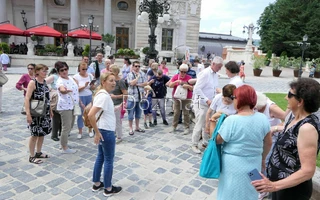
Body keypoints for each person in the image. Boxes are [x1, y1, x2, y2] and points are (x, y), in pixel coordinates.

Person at [252, 78, 320, 200]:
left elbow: (308, 170)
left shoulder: (307, 128)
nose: (285, 98)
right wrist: (276, 128)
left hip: (292, 191)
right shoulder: (293, 117)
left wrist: (274, 186)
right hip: (280, 186)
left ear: (300, 101)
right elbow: (291, 133)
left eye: (289, 95)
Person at [215, 85, 272, 200]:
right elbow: (268, 143)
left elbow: (218, 140)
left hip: (233, 163)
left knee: (230, 191)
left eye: (234, 97)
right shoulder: (262, 119)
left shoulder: (232, 120)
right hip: (254, 163)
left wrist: (212, 121)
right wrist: (263, 158)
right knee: (250, 191)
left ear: (238, 99)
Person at [88, 72, 122, 197]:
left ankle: (97, 183)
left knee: (101, 157)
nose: (114, 83)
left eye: (114, 80)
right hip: (105, 131)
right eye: (111, 80)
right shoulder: (104, 96)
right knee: (108, 159)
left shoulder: (102, 94)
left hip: (103, 129)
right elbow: (91, 114)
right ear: (103, 82)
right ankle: (108, 188)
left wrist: (115, 108)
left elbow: (103, 111)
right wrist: (96, 132)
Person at [255, 92, 287, 200]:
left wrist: (275, 128)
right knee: (257, 164)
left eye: (258, 109)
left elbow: (288, 120)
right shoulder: (253, 105)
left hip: (271, 139)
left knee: (265, 163)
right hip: (259, 139)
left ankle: (263, 189)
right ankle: (258, 185)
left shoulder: (271, 107)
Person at [191, 56, 223, 154]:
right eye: (219, 67)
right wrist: (206, 100)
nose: (220, 69)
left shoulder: (215, 74)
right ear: (213, 64)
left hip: (211, 103)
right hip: (201, 103)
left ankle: (205, 143)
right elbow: (196, 89)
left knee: (208, 124)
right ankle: (194, 144)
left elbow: (215, 87)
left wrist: (221, 92)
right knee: (200, 124)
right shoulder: (205, 73)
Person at [24, 64, 52, 164]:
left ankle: (39, 152)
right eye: (43, 71)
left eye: (46, 71)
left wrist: (50, 111)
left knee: (42, 133)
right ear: (37, 72)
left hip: (44, 113)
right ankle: (31, 156)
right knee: (34, 134)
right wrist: (28, 114)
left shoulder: (44, 82)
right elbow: (27, 98)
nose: (45, 73)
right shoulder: (33, 82)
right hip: (35, 113)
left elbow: (47, 98)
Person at [56, 62, 79, 154]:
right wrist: (65, 91)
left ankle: (63, 142)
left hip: (73, 105)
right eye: (62, 70)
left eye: (66, 69)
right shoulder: (60, 81)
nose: (64, 71)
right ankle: (64, 147)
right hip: (65, 107)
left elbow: (76, 91)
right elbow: (61, 89)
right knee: (66, 127)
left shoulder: (70, 78)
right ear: (58, 72)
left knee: (71, 125)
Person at [168, 64, 193, 134]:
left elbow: (192, 88)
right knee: (176, 112)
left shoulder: (189, 78)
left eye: (185, 72)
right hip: (177, 98)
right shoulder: (176, 77)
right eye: (182, 71)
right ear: (179, 71)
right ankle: (174, 126)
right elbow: (170, 85)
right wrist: (176, 82)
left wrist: (187, 86)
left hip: (187, 97)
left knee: (186, 113)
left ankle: (186, 127)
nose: (183, 73)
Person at [73, 62, 95, 139]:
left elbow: (93, 88)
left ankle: (90, 130)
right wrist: (84, 86)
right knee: (80, 114)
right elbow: (75, 90)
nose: (85, 70)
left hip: (89, 95)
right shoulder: (76, 77)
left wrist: (92, 86)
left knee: (90, 113)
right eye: (83, 69)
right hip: (80, 96)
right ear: (79, 69)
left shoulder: (90, 75)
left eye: (86, 69)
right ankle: (80, 131)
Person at [126, 61, 148, 135]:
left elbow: (146, 83)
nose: (137, 68)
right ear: (133, 67)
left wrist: (137, 84)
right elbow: (131, 83)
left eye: (139, 66)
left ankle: (137, 127)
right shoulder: (129, 74)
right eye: (136, 66)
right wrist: (137, 77)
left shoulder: (143, 74)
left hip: (140, 97)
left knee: (138, 114)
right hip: (131, 98)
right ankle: (130, 128)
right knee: (130, 114)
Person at [109, 64, 127, 143]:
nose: (108, 72)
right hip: (110, 104)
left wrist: (115, 96)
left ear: (115, 72)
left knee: (117, 121)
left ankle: (119, 136)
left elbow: (125, 94)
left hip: (118, 104)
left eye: (110, 70)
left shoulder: (120, 81)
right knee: (111, 121)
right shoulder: (109, 80)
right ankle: (114, 134)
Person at [45, 65, 61, 141]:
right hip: (56, 99)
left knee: (62, 117)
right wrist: (50, 89)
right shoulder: (54, 76)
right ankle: (54, 134)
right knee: (56, 117)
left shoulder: (63, 76)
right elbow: (44, 82)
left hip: (63, 99)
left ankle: (61, 131)